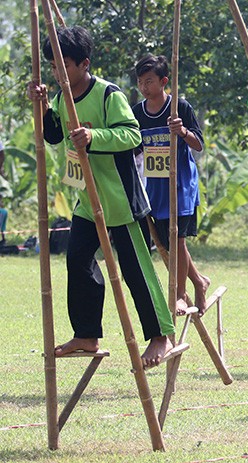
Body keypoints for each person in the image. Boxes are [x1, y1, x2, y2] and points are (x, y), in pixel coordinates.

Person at [27, 26, 174, 367]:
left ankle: (159, 336)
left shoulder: (109, 95)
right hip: (85, 201)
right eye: (52, 66)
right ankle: (87, 334)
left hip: (121, 200)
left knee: (136, 272)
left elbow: (131, 135)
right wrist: (41, 106)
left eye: (63, 65)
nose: (57, 73)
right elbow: (52, 135)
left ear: (84, 64)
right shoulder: (62, 98)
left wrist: (93, 135)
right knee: (77, 260)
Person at [132, 54, 210, 315]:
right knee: (168, 243)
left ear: (164, 81)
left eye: (149, 81)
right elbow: (134, 148)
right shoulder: (137, 113)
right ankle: (199, 281)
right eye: (140, 82)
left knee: (177, 239)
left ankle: (179, 294)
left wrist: (182, 131)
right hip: (156, 187)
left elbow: (198, 144)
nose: (144, 87)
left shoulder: (179, 108)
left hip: (181, 186)